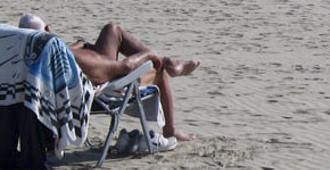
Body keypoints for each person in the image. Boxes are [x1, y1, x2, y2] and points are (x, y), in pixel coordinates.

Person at [19, 14, 199, 143]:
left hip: (81, 79)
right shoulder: (71, 57)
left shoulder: (26, 58)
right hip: (106, 88)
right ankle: (170, 129)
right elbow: (125, 67)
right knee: (159, 70)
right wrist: (150, 55)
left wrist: (79, 44)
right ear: (49, 30)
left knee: (112, 30)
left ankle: (170, 63)